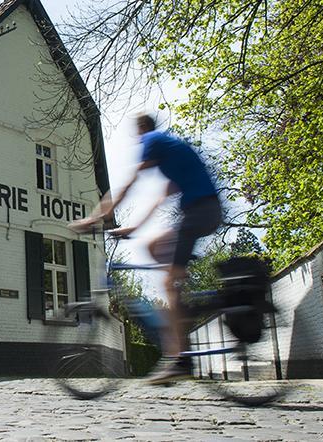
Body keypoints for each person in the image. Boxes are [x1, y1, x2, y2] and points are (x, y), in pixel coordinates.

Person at [70, 113, 222, 384]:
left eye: (137, 132)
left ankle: (180, 360)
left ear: (141, 129)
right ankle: (179, 302)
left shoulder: (153, 140)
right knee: (154, 247)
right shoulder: (170, 152)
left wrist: (96, 217)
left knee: (167, 280)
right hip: (203, 211)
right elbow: (161, 197)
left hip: (201, 211)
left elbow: (129, 184)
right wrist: (134, 228)